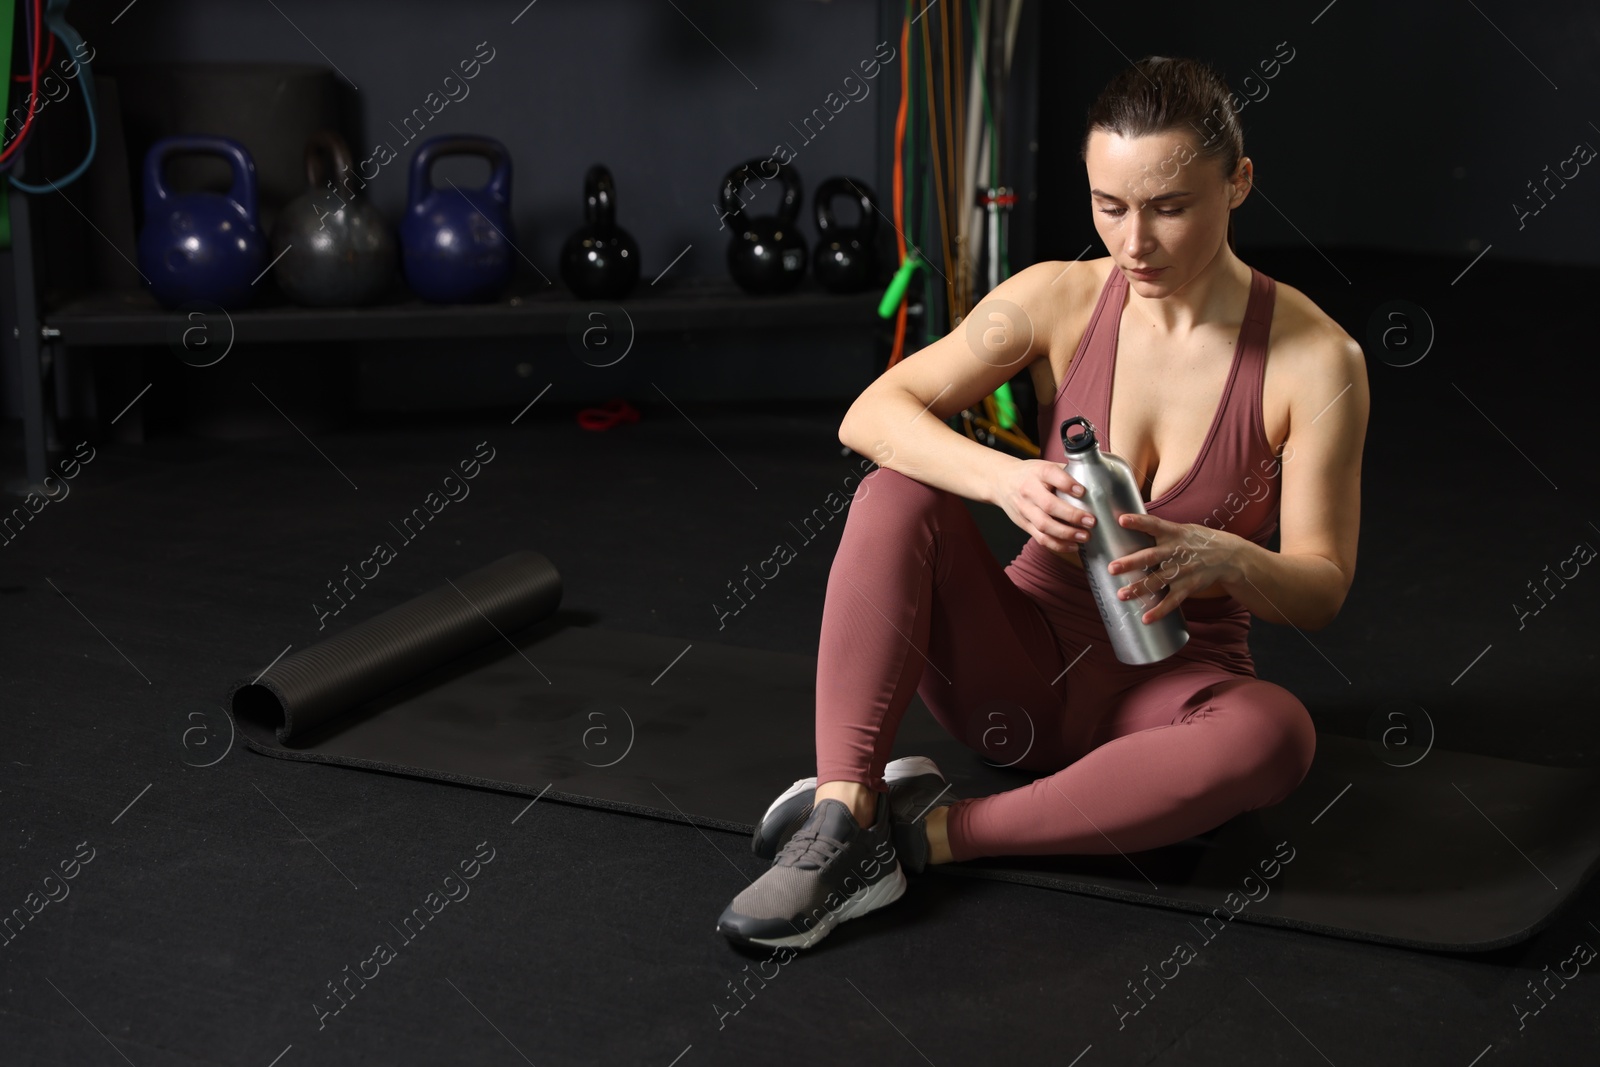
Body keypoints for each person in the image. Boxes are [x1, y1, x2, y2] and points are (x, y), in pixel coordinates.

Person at [717, 55, 1369, 951]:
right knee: (896, 491)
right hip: (1012, 675)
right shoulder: (1056, 297)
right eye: (1110, 206)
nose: (1135, 242)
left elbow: (1323, 585)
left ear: (1240, 182)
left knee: (1277, 736)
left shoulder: (1316, 360)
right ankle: (842, 811)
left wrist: (1233, 560)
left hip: (1167, 693)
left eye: (1169, 207)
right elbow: (873, 413)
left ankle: (924, 838)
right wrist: (1002, 477)